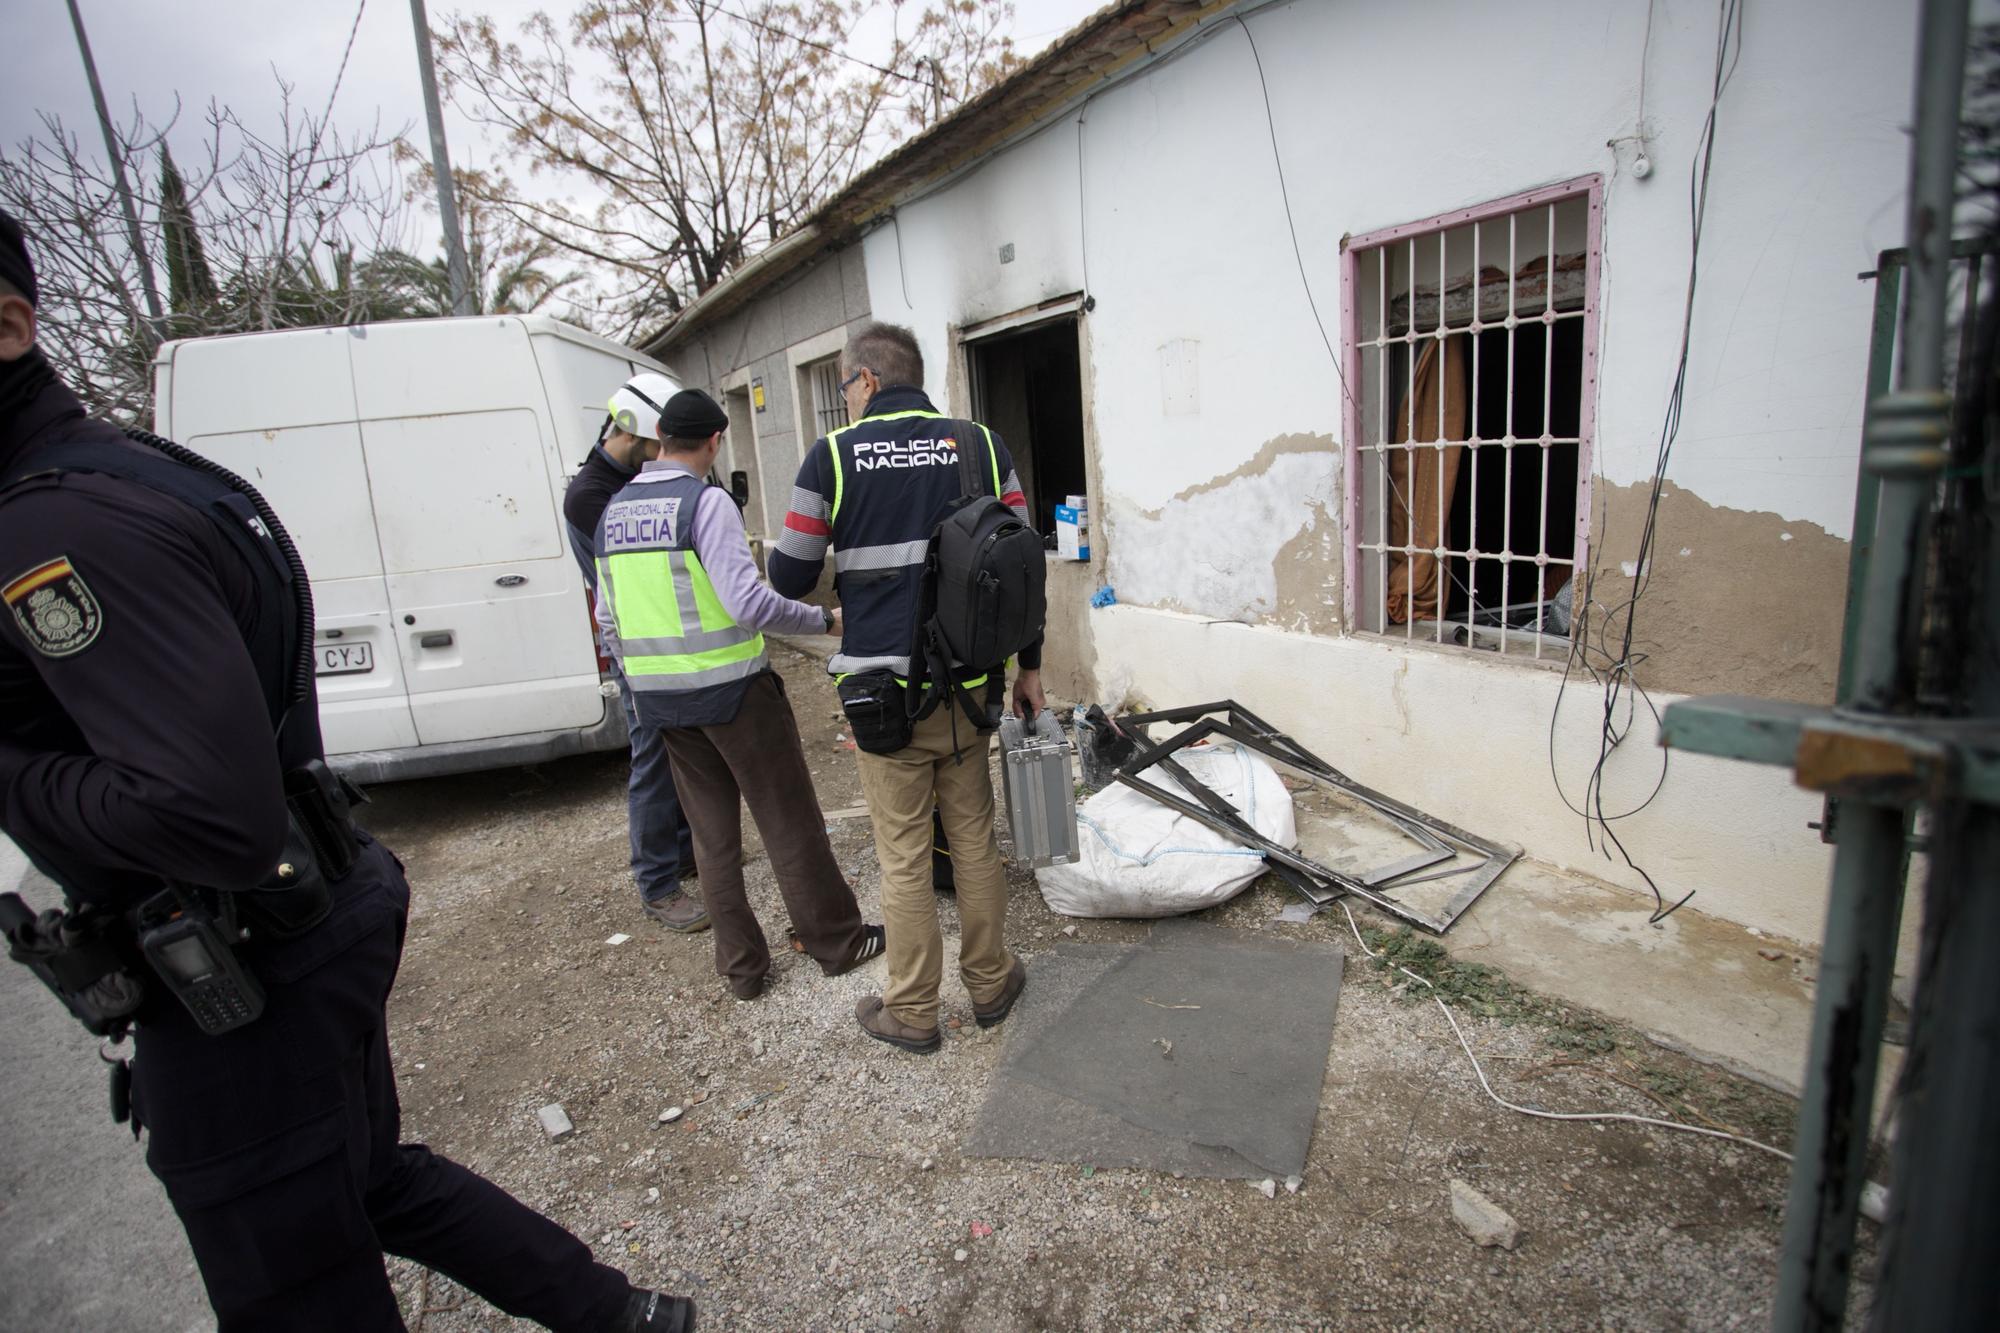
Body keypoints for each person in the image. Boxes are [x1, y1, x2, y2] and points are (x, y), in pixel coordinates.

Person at [0, 210, 692, 1333]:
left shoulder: (60, 524)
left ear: (10, 323)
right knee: (369, 1181)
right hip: (295, 910)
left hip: (242, 961)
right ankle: (623, 1316)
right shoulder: (131, 474)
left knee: (295, 1281)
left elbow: (204, 809)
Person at [769, 321, 1041, 1054]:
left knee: (904, 855)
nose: (844, 400)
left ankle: (914, 1010)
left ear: (866, 381)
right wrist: (1031, 669)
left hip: (882, 700)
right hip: (971, 690)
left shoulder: (832, 456)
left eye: (844, 387)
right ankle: (991, 982)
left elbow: (789, 575)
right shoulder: (981, 445)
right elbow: (1024, 568)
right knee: (976, 841)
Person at [594, 388, 884, 1001]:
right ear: (714, 441)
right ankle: (837, 940)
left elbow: (607, 620)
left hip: (664, 704)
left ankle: (744, 971)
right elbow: (748, 603)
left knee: (712, 837)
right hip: (735, 696)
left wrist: (648, 679)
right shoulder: (705, 504)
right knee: (788, 820)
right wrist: (824, 622)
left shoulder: (613, 512)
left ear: (660, 440)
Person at [563, 374, 704, 933]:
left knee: (681, 751)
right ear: (640, 433)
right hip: (637, 652)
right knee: (651, 758)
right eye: (662, 442)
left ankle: (686, 852)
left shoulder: (621, 481)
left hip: (665, 644)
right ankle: (658, 884)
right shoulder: (591, 495)